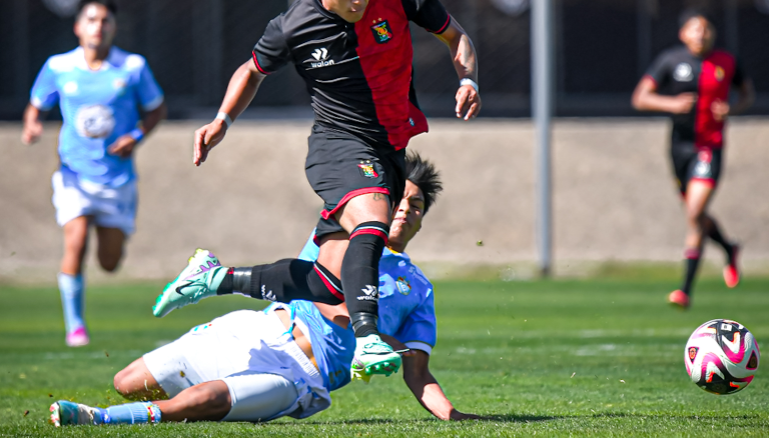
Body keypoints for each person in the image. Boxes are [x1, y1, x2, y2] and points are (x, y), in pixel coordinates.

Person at [153, 0, 480, 379]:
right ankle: (367, 336)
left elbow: (456, 36)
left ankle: (212, 277)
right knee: (373, 220)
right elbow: (251, 71)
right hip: (337, 144)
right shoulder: (294, 25)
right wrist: (222, 120)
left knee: (329, 282)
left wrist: (467, 78)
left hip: (388, 148)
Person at [49, 154, 480, 426]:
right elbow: (314, 292)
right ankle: (214, 396)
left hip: (300, 376)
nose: (405, 211)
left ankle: (100, 419)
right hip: (257, 332)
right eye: (399, 200)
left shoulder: (418, 288)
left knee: (205, 396)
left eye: (417, 206)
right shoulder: (339, 237)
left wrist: (455, 417)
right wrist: (372, 336)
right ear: (381, 199)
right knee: (127, 381)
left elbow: (417, 371)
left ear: (423, 219)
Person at [21, 0, 167, 346]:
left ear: (114, 28)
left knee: (109, 261)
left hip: (117, 179)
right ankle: (75, 327)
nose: (98, 27)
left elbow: (156, 109)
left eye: (105, 21)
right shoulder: (58, 66)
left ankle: (114, 243)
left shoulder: (132, 67)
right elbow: (36, 105)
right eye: (91, 20)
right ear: (77, 27)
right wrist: (31, 126)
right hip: (73, 174)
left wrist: (135, 136)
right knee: (75, 239)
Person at [631, 10, 755, 309]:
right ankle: (728, 247)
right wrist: (671, 103)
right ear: (683, 34)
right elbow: (640, 98)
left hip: (709, 147)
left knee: (695, 212)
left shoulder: (727, 62)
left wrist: (732, 109)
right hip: (678, 149)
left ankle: (685, 290)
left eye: (706, 28)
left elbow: (747, 94)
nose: (701, 34)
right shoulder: (670, 61)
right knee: (694, 214)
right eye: (694, 29)